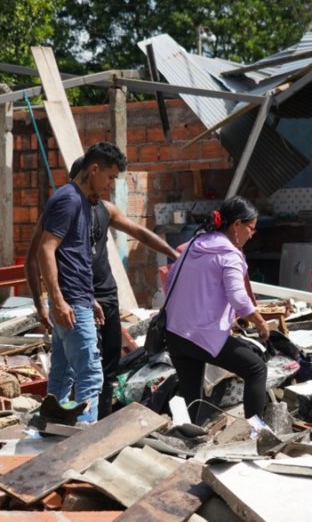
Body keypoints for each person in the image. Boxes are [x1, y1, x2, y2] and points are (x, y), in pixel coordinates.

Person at [65, 156, 180, 419]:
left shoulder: (105, 210)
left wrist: (173, 253)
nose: (104, 188)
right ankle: (77, 421)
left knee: (108, 364)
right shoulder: (65, 213)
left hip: (107, 295)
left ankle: (100, 420)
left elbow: (138, 232)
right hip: (80, 298)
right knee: (82, 365)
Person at [26, 142, 127, 424]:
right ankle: (84, 443)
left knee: (61, 376)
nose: (110, 185)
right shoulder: (69, 199)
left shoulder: (80, 202)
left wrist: (89, 298)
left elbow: (71, 258)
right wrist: (57, 300)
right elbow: (46, 249)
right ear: (94, 169)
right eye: (109, 177)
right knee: (90, 376)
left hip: (76, 301)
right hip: (70, 304)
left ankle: (49, 434)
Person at [163, 196, 270, 425]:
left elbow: (169, 280)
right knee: (256, 368)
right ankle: (256, 432)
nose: (252, 234)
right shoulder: (229, 254)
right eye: (251, 228)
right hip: (202, 335)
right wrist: (260, 322)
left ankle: (188, 440)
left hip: (174, 333)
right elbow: (238, 297)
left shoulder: (194, 245)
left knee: (192, 395)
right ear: (237, 225)